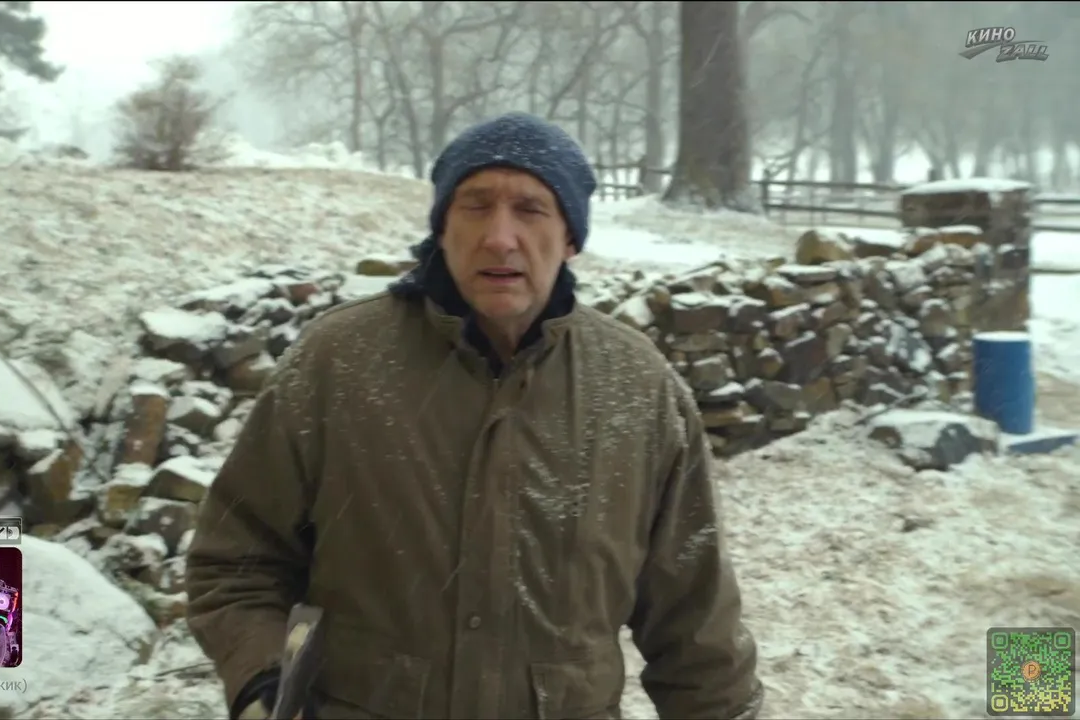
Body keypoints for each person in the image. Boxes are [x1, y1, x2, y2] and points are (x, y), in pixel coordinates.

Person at [186, 112, 763, 719]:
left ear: (571, 236)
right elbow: (237, 562)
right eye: (476, 206)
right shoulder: (337, 364)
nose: (499, 237)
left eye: (531, 209)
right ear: (442, 227)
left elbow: (694, 617)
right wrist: (262, 684)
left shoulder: (637, 389)